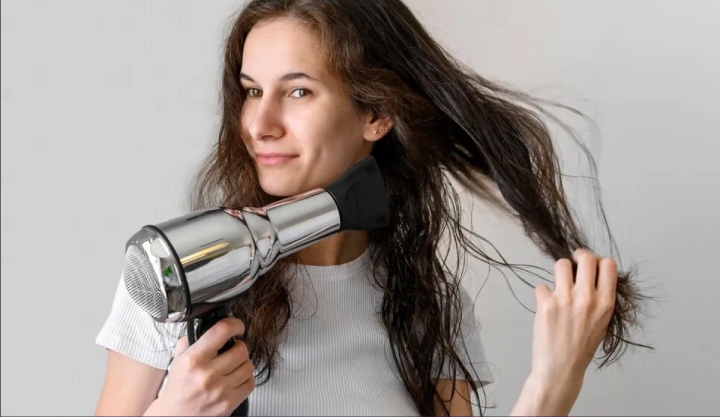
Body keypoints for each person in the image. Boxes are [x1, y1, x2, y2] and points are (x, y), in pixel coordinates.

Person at [94, 0, 648, 415]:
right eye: (252, 91)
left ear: (376, 115)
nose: (259, 125)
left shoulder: (424, 308)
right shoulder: (174, 279)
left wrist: (552, 383)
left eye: (298, 91)